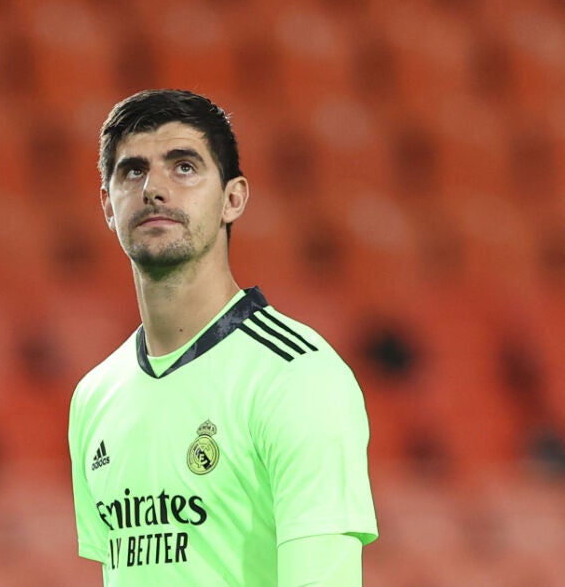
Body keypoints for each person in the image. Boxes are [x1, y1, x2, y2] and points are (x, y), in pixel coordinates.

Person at [68, 89, 378, 586]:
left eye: (184, 167)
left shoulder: (298, 376)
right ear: (108, 205)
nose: (154, 188)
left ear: (233, 199)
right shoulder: (94, 397)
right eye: (133, 171)